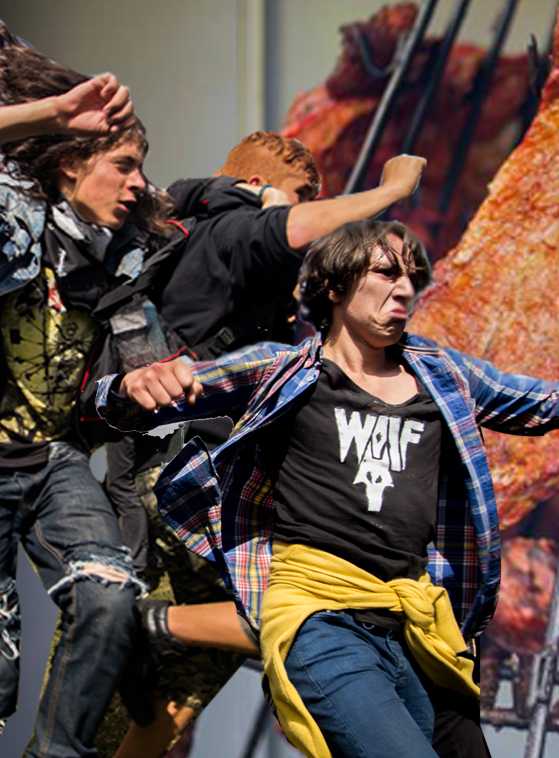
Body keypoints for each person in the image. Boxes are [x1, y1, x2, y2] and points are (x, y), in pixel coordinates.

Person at [95, 218, 559, 758]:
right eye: (385, 273)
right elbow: (129, 404)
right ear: (333, 288)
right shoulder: (282, 370)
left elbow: (539, 401)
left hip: (414, 617)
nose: (405, 289)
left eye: (413, 277)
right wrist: (135, 384)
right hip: (319, 616)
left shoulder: (441, 373)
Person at [98, 135, 433, 758]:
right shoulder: (235, 232)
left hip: (160, 475)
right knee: (313, 616)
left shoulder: (184, 229)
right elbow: (292, 228)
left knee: (160, 702)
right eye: (307, 194)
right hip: (201, 483)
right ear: (262, 184)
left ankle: (148, 642)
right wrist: (389, 193)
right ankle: (152, 624)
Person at [0, 32, 154, 755]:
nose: (138, 184)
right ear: (68, 165)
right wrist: (54, 111)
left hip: (51, 464)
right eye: (123, 165)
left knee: (108, 595)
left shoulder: (122, 261)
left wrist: (143, 382)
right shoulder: (14, 222)